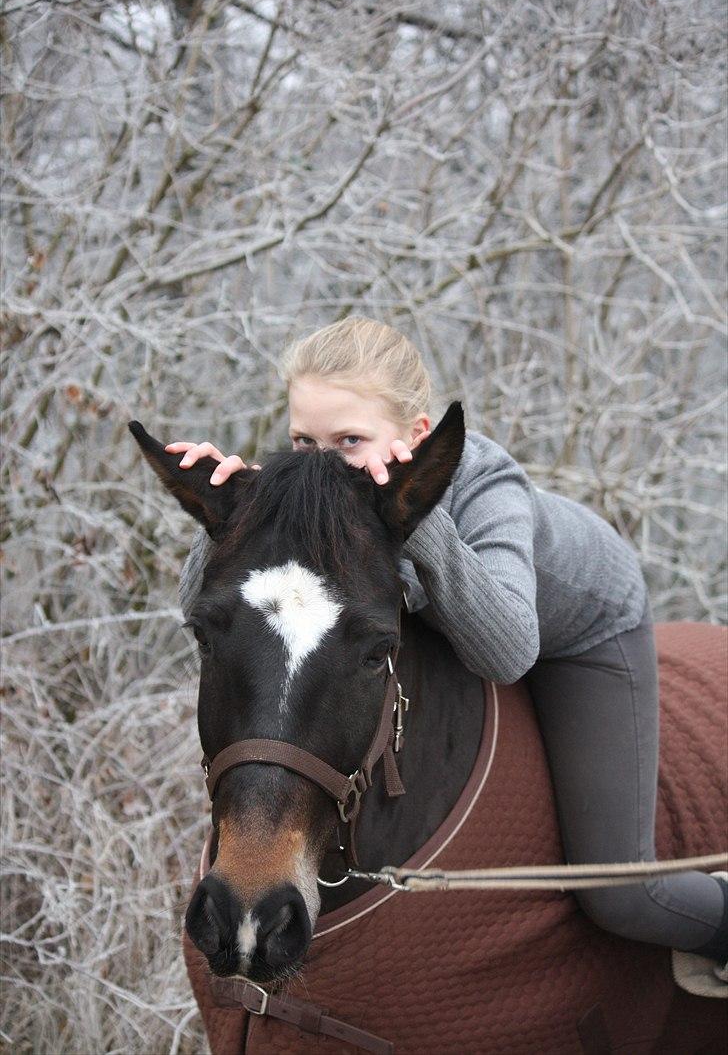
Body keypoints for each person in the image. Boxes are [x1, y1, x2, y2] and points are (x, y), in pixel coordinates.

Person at [168, 315, 728, 986]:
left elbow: (508, 652)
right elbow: (204, 617)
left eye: (349, 442)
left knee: (621, 893)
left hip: (578, 632)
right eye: (304, 441)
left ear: (416, 437)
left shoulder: (485, 485)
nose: (324, 463)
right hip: (469, 621)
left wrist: (426, 527)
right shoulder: (315, 500)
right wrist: (224, 521)